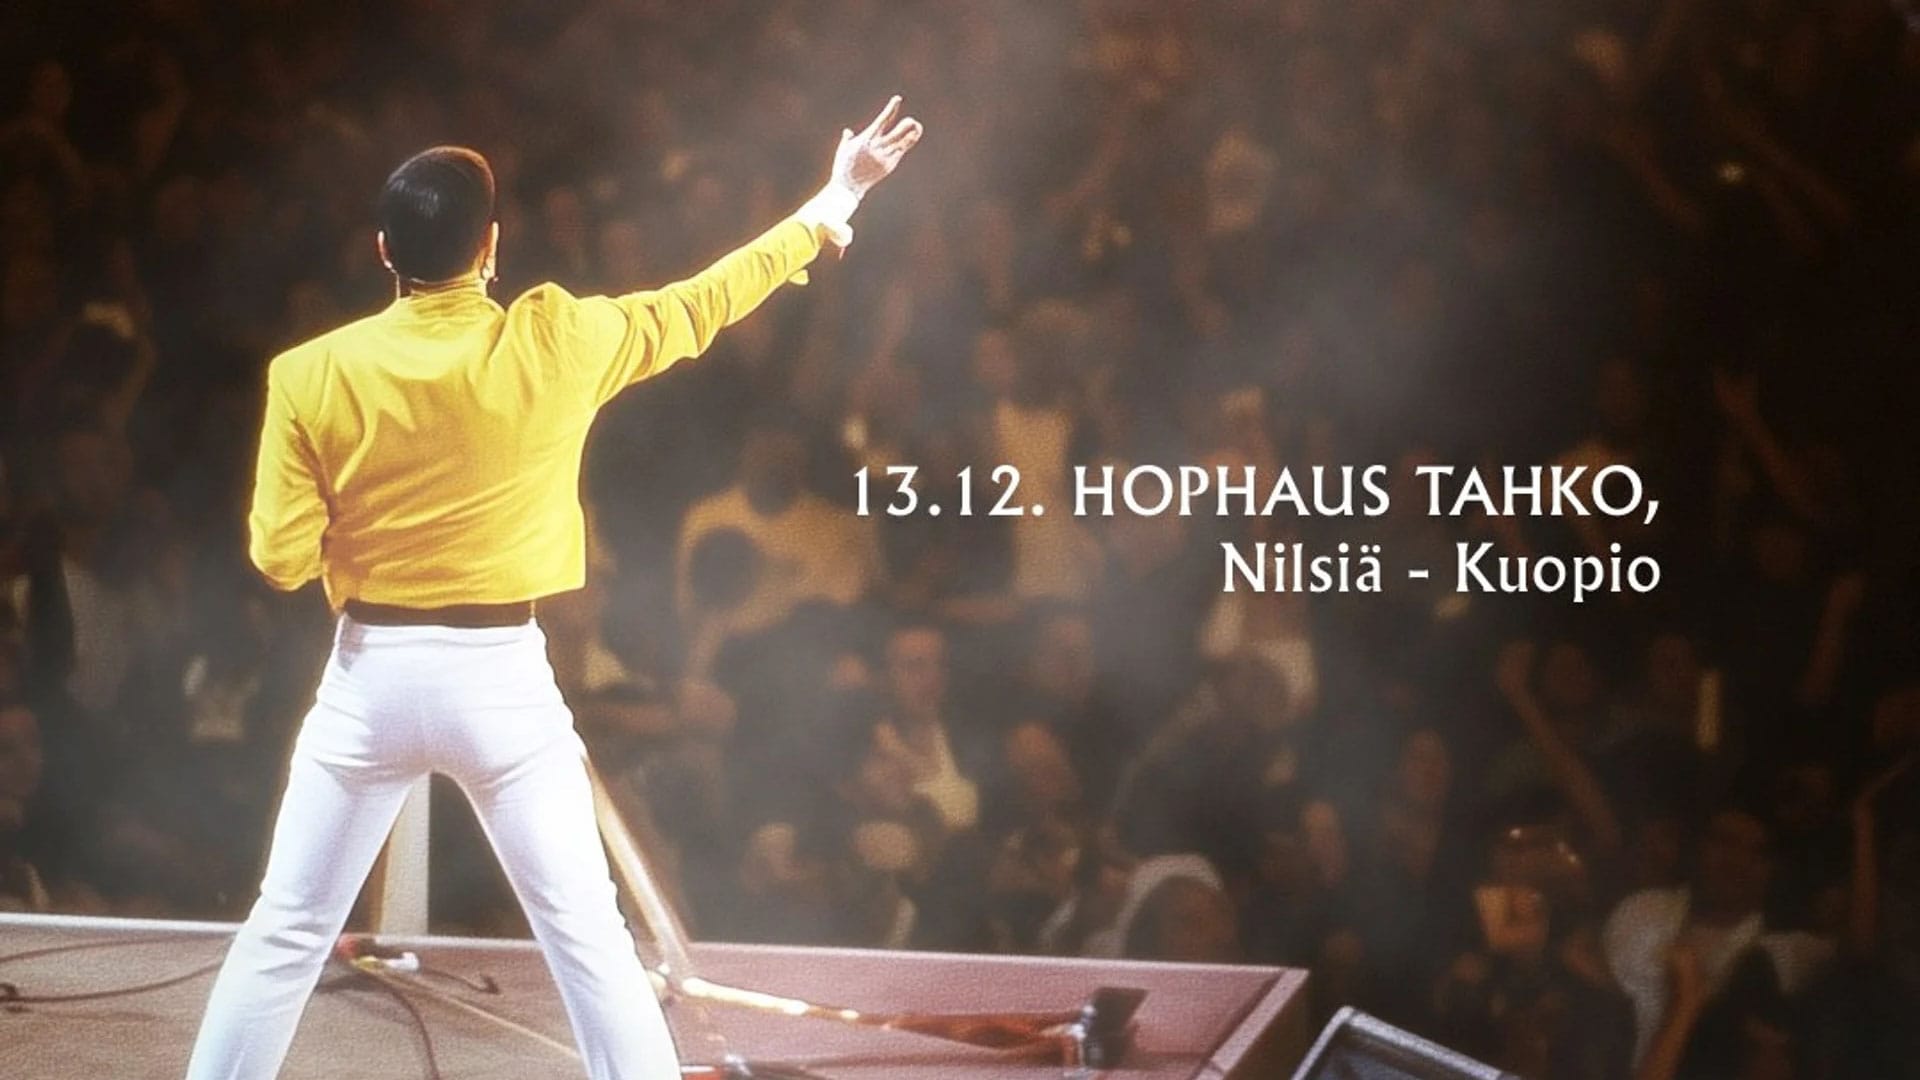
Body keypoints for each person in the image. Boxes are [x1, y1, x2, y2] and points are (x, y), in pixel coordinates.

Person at [183, 97, 923, 1080]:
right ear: (491, 249)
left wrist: (364, 520)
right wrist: (832, 203)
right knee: (587, 939)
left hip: (369, 677)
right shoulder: (556, 339)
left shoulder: (310, 374)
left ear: (382, 251)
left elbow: (280, 560)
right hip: (501, 680)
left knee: (285, 932)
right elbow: (701, 302)